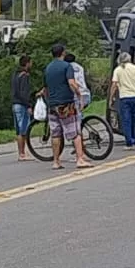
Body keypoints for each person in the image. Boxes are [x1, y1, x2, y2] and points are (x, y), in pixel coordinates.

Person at [43, 40, 90, 171]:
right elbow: (71, 83)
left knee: (56, 134)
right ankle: (80, 159)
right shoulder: (66, 66)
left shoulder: (48, 68)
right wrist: (79, 95)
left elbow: (45, 88)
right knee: (74, 132)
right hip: (66, 104)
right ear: (63, 53)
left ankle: (56, 161)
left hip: (52, 105)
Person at [111, 51, 135, 148]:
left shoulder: (118, 70)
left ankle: (129, 142)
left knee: (126, 120)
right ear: (129, 59)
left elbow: (114, 85)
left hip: (124, 97)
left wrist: (111, 98)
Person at [11, 53, 33, 161]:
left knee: (19, 130)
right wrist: (28, 104)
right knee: (23, 130)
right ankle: (22, 153)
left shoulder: (15, 75)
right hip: (22, 104)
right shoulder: (25, 76)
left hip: (15, 104)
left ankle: (21, 153)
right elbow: (24, 93)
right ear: (27, 63)